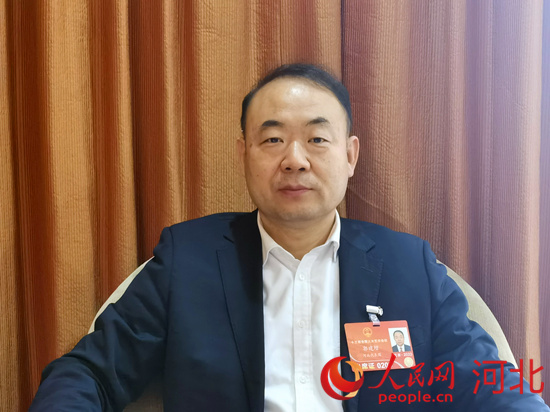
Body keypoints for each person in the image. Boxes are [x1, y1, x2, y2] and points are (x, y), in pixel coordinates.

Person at [30, 64, 548, 411]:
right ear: (244, 155)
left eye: (317, 139)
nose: (294, 159)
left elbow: (491, 384)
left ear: (350, 155)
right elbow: (89, 373)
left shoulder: (408, 266)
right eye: (273, 138)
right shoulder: (186, 262)